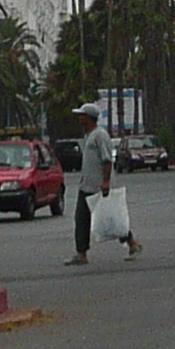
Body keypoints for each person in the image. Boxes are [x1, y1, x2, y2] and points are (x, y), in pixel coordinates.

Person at [67, 110, 139, 265]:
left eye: (81, 115)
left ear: (88, 117)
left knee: (111, 219)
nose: (79, 118)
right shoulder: (89, 135)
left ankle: (132, 242)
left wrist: (106, 181)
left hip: (98, 187)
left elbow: (107, 160)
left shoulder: (100, 135)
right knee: (81, 219)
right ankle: (81, 254)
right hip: (86, 186)